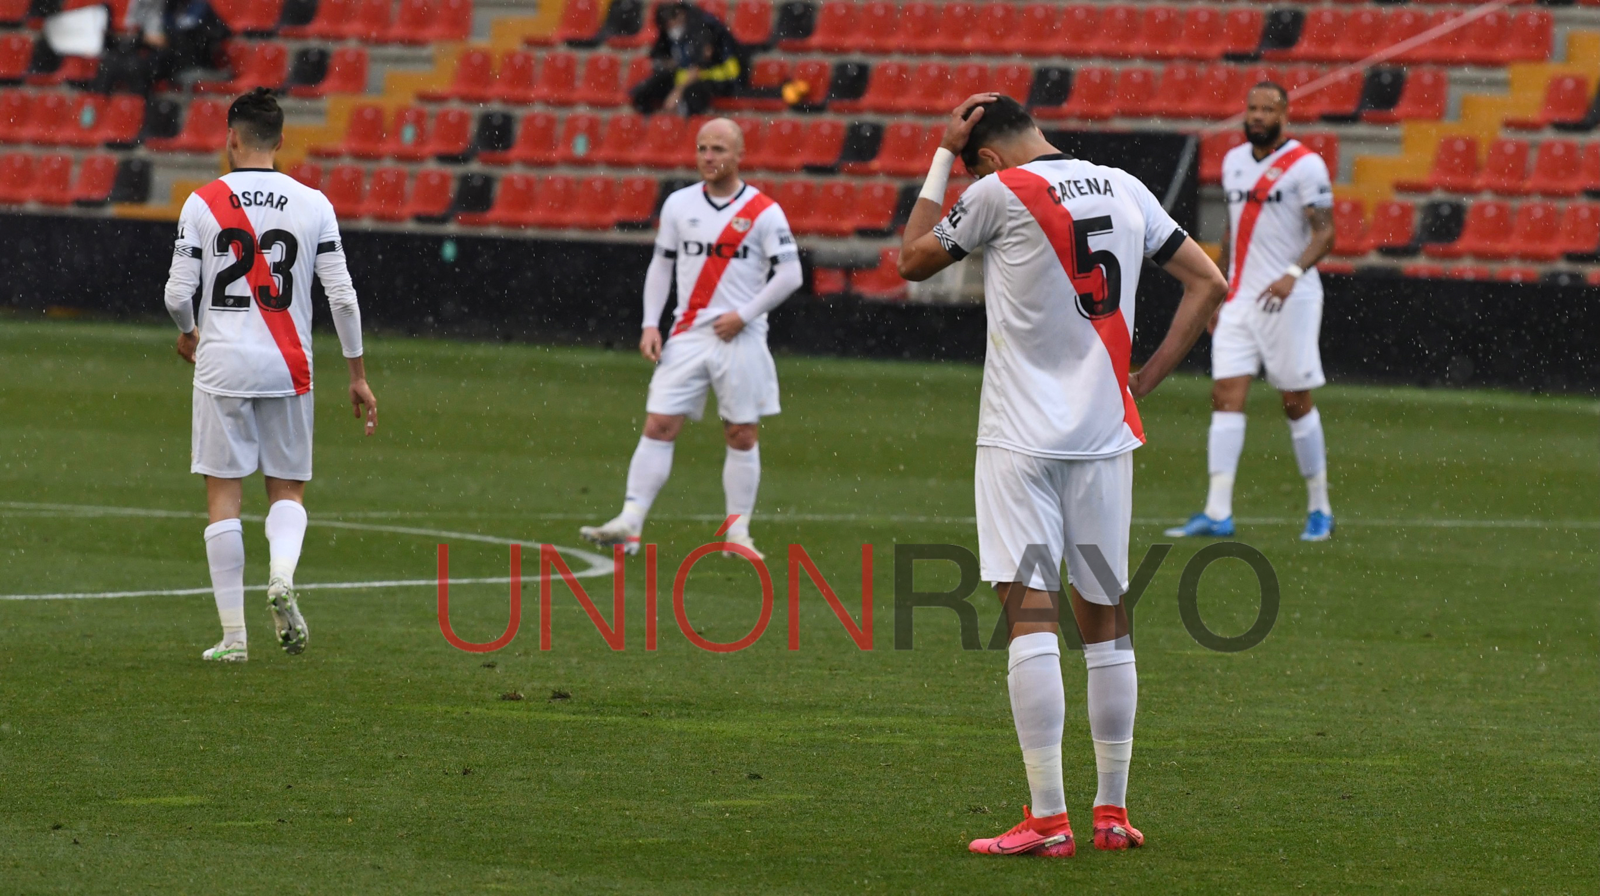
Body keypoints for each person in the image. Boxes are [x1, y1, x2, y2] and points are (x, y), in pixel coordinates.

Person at [898, 95, 1228, 857]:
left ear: (985, 155)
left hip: (1019, 435)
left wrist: (940, 157)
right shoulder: (1125, 185)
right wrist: (1145, 377)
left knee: (1030, 617)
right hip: (1104, 433)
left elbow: (912, 260)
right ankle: (1112, 813)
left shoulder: (993, 191)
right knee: (1107, 619)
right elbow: (1207, 283)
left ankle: (1048, 819)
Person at [162, 88, 377, 662]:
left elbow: (178, 293)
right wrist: (356, 374)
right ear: (282, 141)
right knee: (286, 487)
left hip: (222, 364)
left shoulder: (202, 202)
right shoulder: (314, 203)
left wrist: (188, 331)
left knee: (222, 497)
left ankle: (234, 638)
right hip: (288, 366)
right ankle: (281, 575)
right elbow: (344, 299)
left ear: (232, 138)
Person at [580, 118, 802, 561]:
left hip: (740, 338)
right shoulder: (679, 205)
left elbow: (792, 274)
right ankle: (630, 521)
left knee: (741, 433)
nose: (708, 157)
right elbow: (661, 265)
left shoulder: (764, 212)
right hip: (687, 333)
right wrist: (649, 323)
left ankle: (737, 534)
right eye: (702, 148)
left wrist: (744, 315)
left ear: (739, 155)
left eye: (718, 149)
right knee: (659, 424)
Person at [1166, 82, 1338, 542]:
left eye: (1267, 109)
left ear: (1285, 114)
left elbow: (1325, 234)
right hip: (1241, 296)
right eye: (1252, 107)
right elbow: (1231, 230)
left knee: (1294, 399)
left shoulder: (1306, 165)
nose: (1257, 115)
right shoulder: (1234, 161)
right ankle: (1217, 511)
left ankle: (1320, 508)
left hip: (1291, 297)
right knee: (1226, 394)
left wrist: (1292, 274)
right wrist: (1216, 291)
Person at [629, 1, 742, 116]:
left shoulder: (702, 27)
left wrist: (677, 92)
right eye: (667, 26)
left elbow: (698, 67)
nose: (671, 28)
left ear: (681, 15)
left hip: (720, 77)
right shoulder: (668, 32)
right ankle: (655, 124)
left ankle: (692, 125)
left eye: (672, 23)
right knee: (643, 92)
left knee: (692, 94)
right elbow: (661, 55)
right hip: (686, 76)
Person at [94, 0, 230, 95]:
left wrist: (158, 39)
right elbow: (161, 35)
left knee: (141, 67)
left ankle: (140, 116)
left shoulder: (200, 7)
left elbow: (215, 33)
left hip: (191, 60)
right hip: (170, 56)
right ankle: (106, 113)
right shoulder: (171, 6)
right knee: (115, 63)